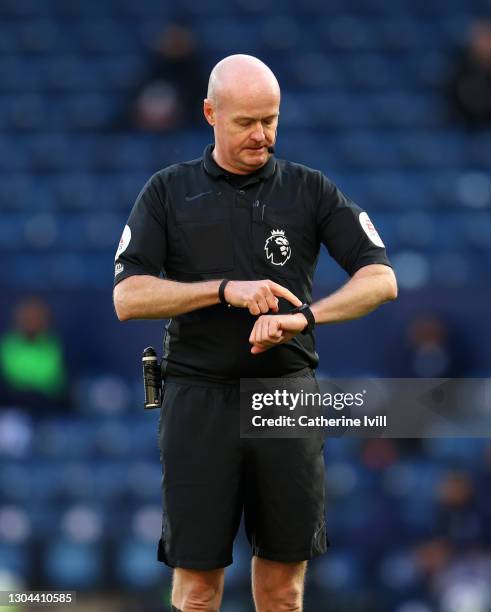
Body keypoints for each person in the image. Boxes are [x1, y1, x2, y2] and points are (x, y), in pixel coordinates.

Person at [113, 54, 397, 612]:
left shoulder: (310, 190)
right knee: (196, 592)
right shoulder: (168, 192)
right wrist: (224, 290)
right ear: (209, 113)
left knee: (284, 592)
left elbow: (381, 279)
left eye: (271, 120)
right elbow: (128, 297)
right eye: (246, 122)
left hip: (286, 395)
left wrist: (305, 317)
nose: (261, 135)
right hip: (198, 397)